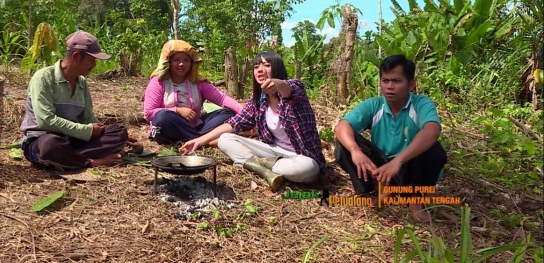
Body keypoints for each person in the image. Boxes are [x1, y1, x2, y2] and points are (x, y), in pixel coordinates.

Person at [181, 51, 328, 191]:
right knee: (225, 139)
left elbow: (288, 88)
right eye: (256, 67)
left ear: (277, 68)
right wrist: (199, 141)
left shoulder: (296, 90)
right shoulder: (258, 100)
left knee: (308, 167)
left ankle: (257, 165)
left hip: (300, 157)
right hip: (273, 151)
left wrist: (277, 84)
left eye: (267, 65)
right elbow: (234, 123)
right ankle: (265, 170)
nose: (260, 70)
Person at [334, 54, 447, 222]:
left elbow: (432, 130)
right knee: (344, 143)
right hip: (381, 169)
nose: (389, 86)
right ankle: (376, 191)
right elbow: (342, 126)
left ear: (411, 84)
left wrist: (398, 161)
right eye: (385, 81)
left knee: (434, 150)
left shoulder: (421, 103)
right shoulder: (374, 105)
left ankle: (414, 199)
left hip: (410, 167)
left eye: (396, 81)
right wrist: (355, 150)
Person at [20, 30, 129, 170]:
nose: (94, 65)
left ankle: (69, 158)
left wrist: (102, 130)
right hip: (43, 138)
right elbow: (46, 120)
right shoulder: (43, 78)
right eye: (92, 60)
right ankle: (89, 161)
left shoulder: (81, 82)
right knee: (50, 146)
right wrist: (87, 131)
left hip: (72, 139)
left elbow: (87, 117)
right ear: (76, 56)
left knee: (119, 131)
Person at [143, 40, 243, 145]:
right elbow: (149, 113)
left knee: (229, 112)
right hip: (169, 126)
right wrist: (178, 110)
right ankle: (203, 139)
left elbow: (222, 99)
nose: (182, 64)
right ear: (169, 62)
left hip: (194, 126)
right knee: (161, 117)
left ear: (191, 63)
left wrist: (243, 112)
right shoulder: (158, 81)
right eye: (177, 60)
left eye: (186, 60)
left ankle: (196, 139)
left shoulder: (197, 82)